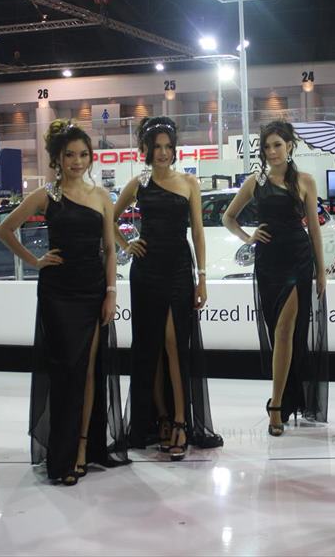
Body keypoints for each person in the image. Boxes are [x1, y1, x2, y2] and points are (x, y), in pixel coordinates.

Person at [0, 120, 129, 484]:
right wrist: (34, 261)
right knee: (65, 371)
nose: (77, 161)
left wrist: (111, 292)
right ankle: (63, 452)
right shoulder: (46, 196)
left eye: (83, 154)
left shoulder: (101, 196)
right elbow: (4, 229)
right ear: (57, 158)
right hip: (57, 292)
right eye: (70, 155)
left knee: (87, 371)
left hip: (92, 291)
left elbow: (109, 250)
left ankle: (82, 448)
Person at [113, 116, 222, 460]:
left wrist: (202, 277)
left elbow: (198, 232)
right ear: (146, 149)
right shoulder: (139, 182)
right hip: (146, 271)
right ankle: (160, 418)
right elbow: (109, 218)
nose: (163, 152)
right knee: (152, 346)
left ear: (174, 149)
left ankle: (180, 421)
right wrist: (126, 245)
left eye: (168, 147)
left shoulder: (189, 182)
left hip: (178, 269)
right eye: (157, 146)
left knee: (175, 344)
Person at [223, 120, 328, 436]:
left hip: (298, 260)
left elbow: (314, 229)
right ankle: (286, 395)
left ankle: (277, 406)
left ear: (290, 146)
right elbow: (228, 217)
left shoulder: (306, 181)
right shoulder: (255, 181)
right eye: (267, 146)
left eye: (277, 145)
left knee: (285, 332)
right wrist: (248, 237)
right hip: (268, 263)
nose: (272, 151)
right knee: (278, 333)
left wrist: (321, 270)